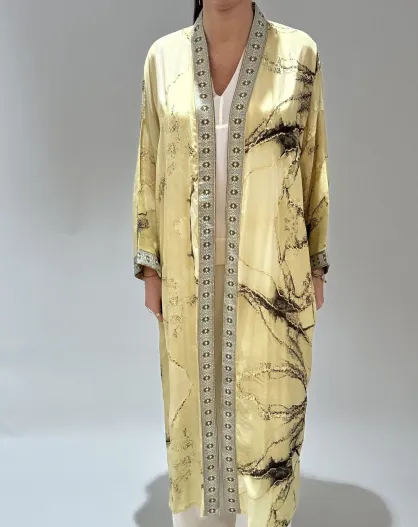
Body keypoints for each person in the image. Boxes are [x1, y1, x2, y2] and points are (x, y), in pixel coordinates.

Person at [132, 1, 330, 525]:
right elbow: (148, 163)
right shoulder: (163, 59)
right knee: (195, 405)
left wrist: (316, 264)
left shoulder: (299, 55)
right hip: (186, 272)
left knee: (268, 406)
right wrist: (150, 266)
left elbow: (313, 163)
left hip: (273, 272)